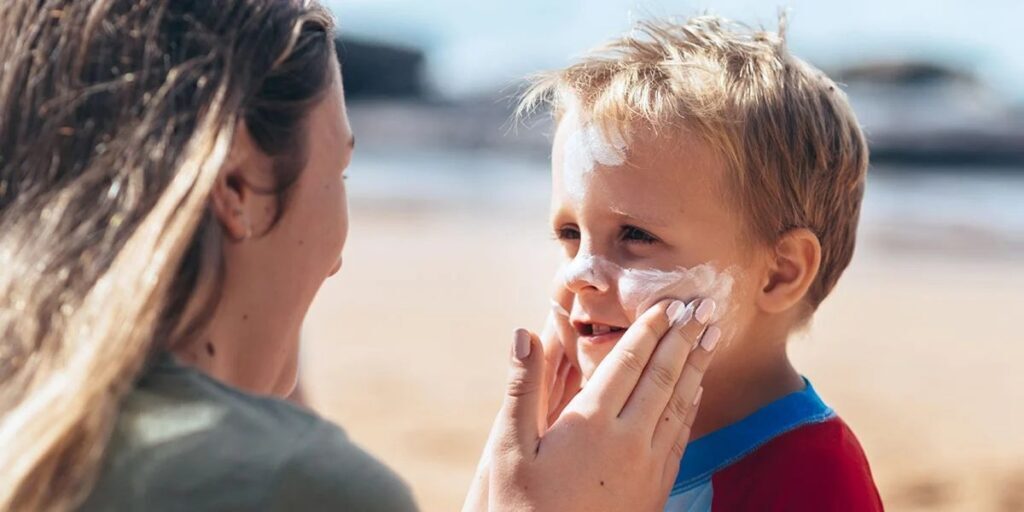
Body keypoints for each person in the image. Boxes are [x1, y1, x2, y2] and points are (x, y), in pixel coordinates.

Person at [0, 1, 710, 511]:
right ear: (240, 186)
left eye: (635, 236)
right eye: (338, 174)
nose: (337, 260)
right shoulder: (286, 481)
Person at [518, 16, 884, 511]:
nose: (579, 273)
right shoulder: (571, 439)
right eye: (570, 234)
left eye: (635, 236)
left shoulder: (811, 478)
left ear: (781, 273)